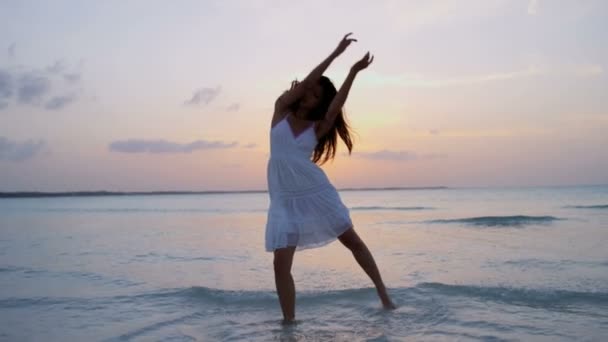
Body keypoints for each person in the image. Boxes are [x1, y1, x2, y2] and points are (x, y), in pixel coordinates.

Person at [265, 33, 395, 324]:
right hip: (284, 199)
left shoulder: (317, 127)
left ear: (317, 104)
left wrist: (352, 72)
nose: (309, 92)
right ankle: (289, 324)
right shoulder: (281, 110)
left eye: (315, 95)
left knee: (353, 241)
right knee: (279, 264)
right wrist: (336, 53)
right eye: (308, 89)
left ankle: (384, 295)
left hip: (314, 190)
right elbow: (313, 77)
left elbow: (336, 105)